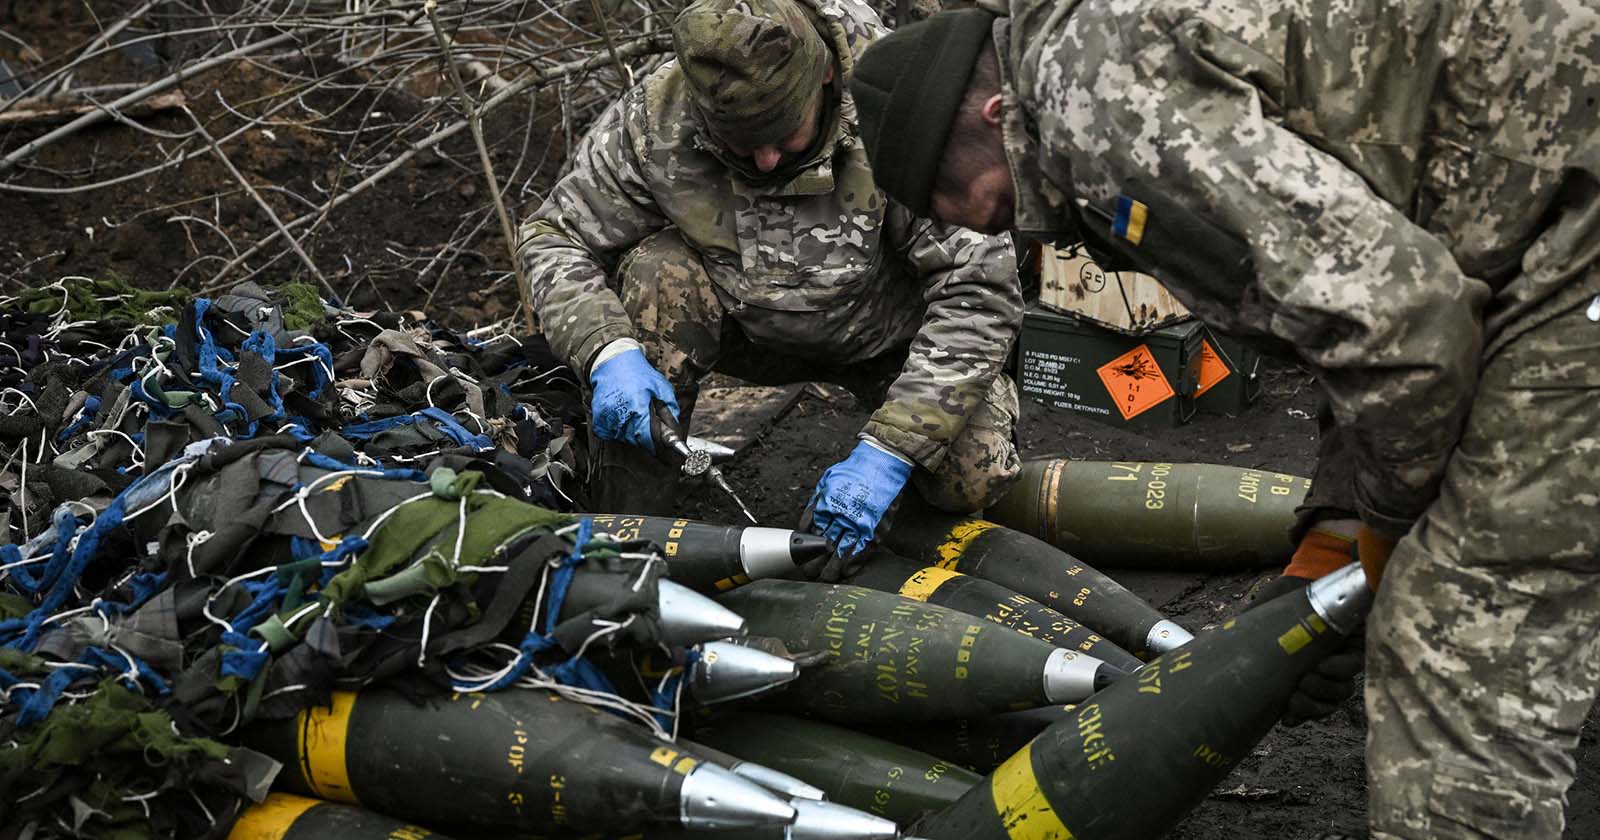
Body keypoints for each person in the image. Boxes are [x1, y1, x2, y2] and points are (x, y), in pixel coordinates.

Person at [846, 2, 1600, 838]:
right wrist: (1337, 529)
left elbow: (1401, 330)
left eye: (946, 191)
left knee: (1454, 652)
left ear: (993, 117)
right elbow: (1351, 304)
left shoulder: (1090, 101)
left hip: (1569, 232)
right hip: (1536, 200)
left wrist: (1388, 538)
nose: (960, 220)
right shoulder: (1093, 53)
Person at [517, 0, 1023, 575]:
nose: (765, 160)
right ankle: (631, 536)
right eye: (739, 143)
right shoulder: (658, 115)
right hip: (744, 329)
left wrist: (891, 452)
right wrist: (607, 349)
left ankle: (885, 520)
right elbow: (552, 235)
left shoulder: (900, 103)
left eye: (783, 133)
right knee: (660, 272)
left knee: (971, 471)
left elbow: (978, 291)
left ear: (825, 76)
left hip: (888, 342)